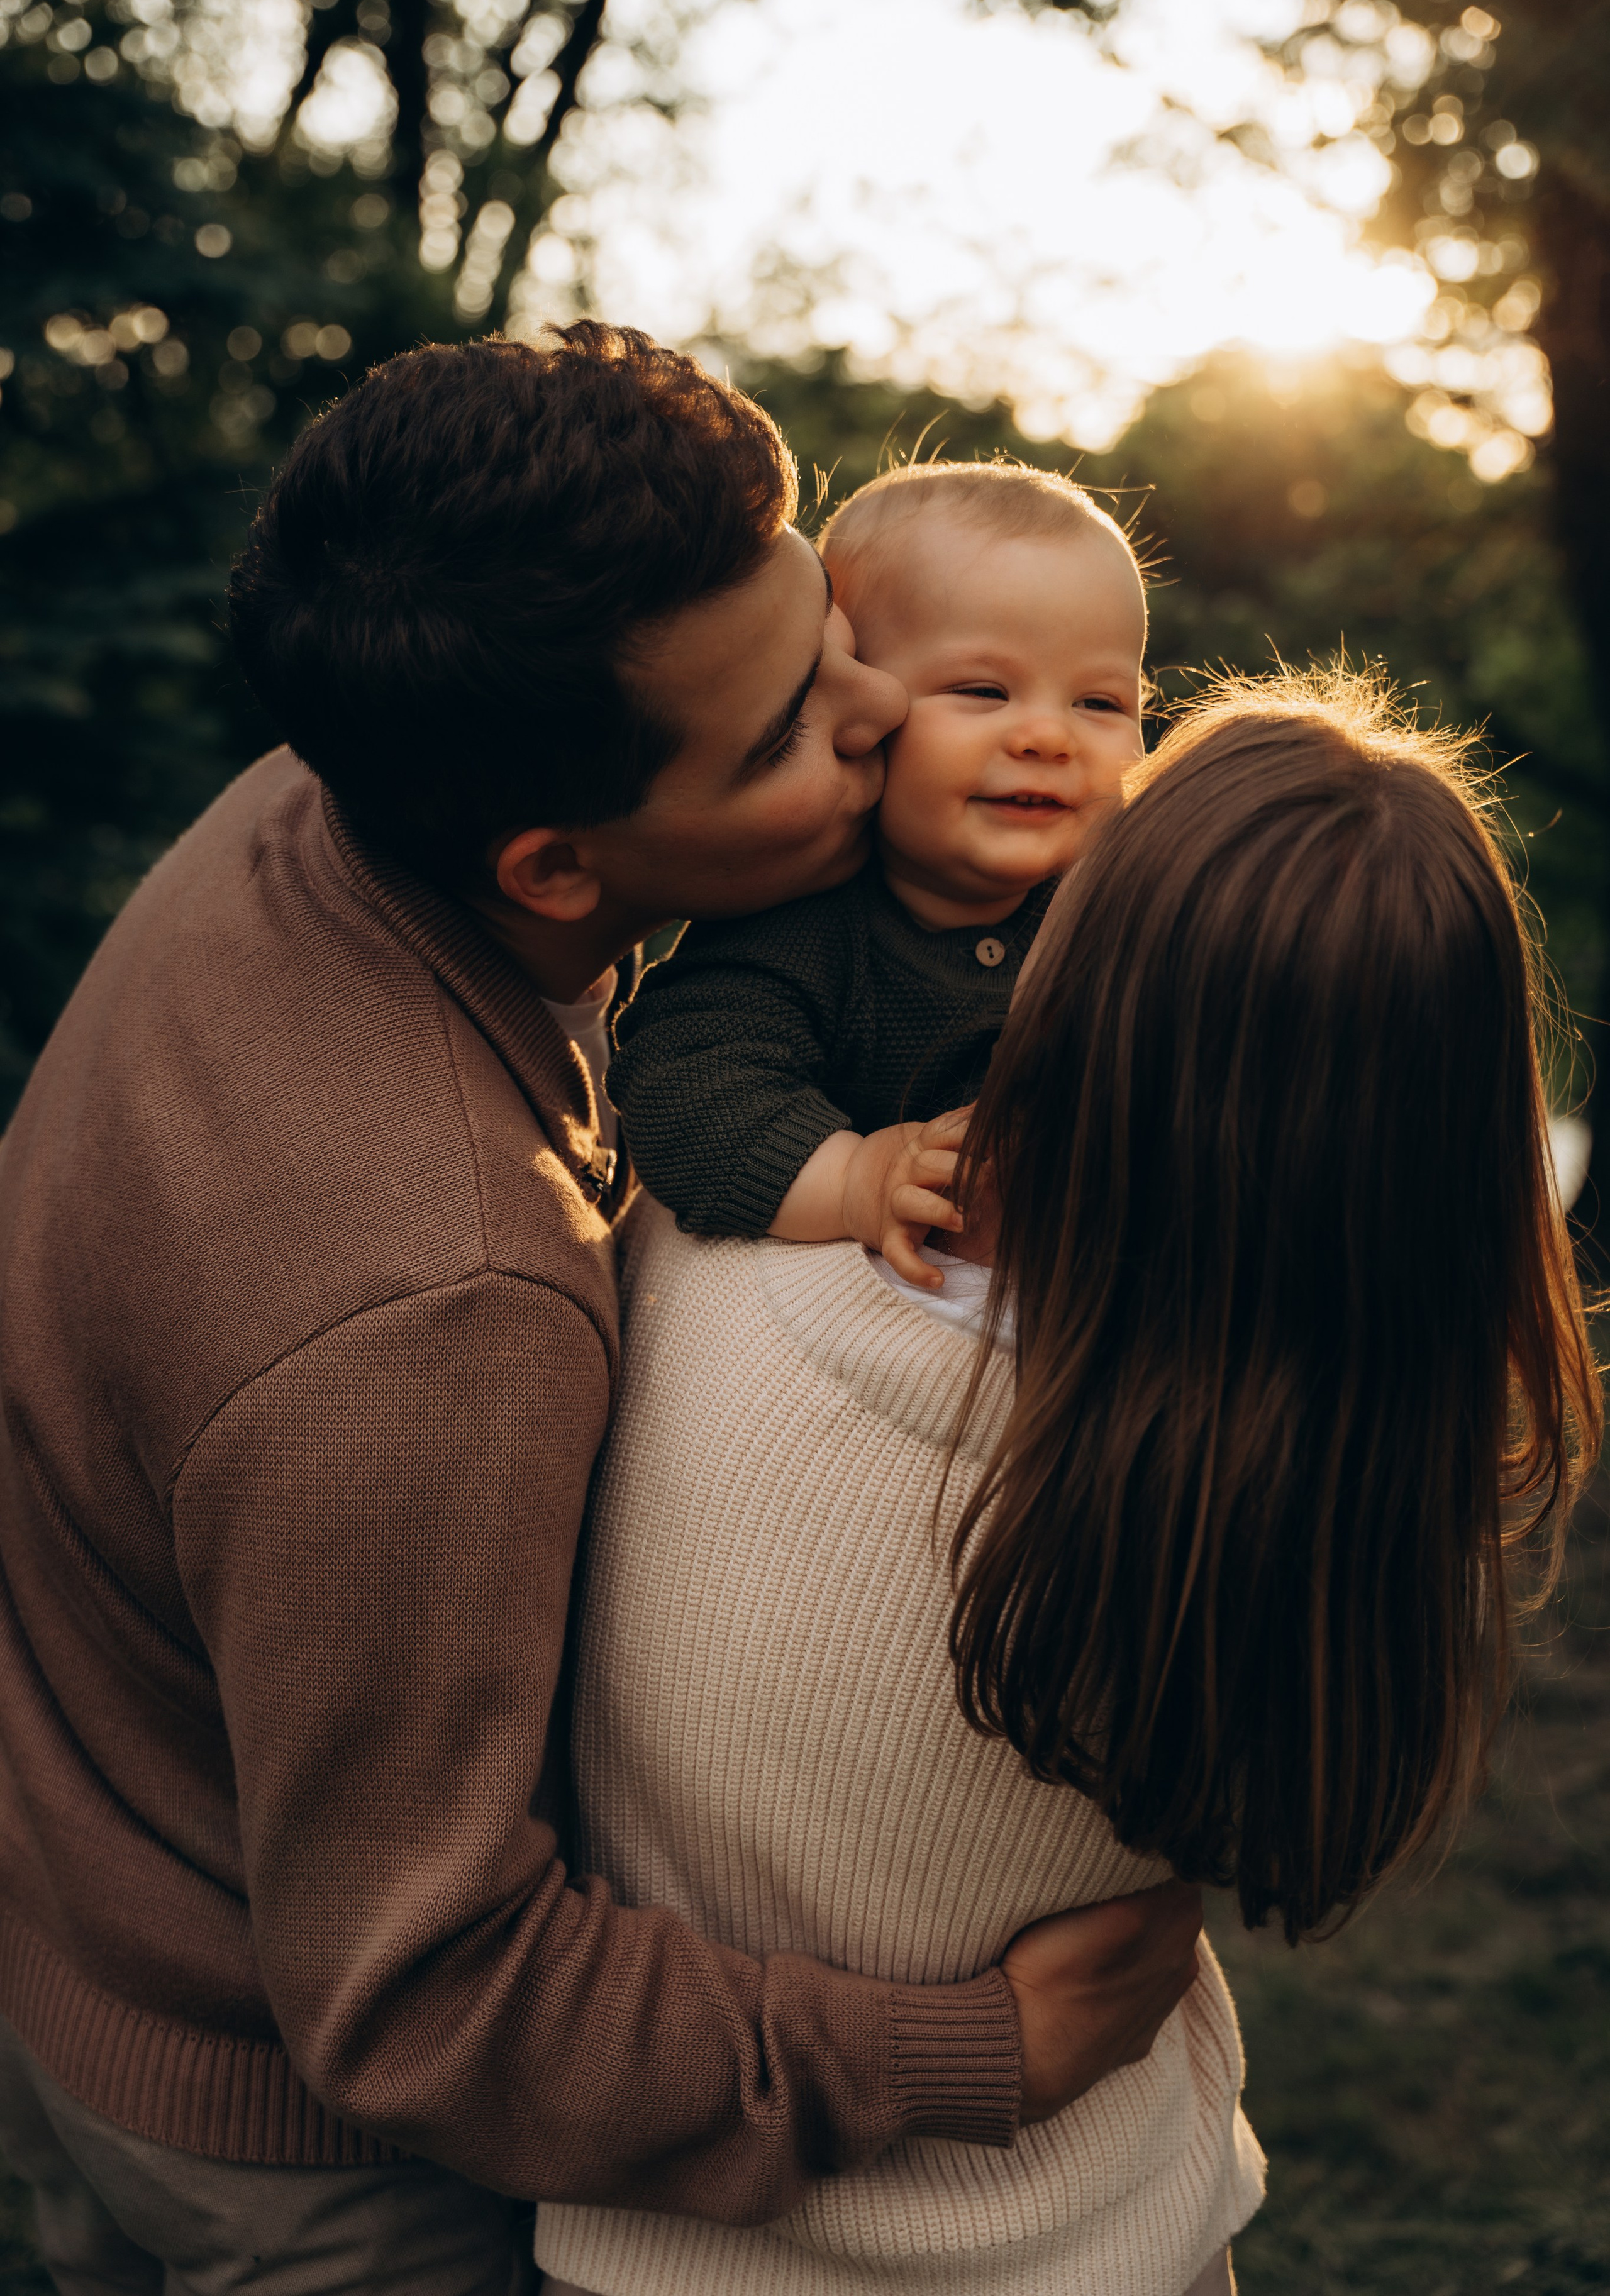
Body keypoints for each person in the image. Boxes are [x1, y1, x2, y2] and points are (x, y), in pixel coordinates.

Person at [0, 326, 1204, 2295]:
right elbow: (423, 1998)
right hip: (308, 2152)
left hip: (90, 1897)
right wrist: (975, 2046)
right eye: (792, 736)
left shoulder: (339, 785)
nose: (885, 710)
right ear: (554, 861)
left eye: (830, 625)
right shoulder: (438, 1302)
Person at [534, 672, 1601, 2296]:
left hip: (687, 2244)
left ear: (1070, 964)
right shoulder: (1347, 1468)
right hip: (1129, 2242)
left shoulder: (684, 1272)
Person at [609, 460, 1148, 1287]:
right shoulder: (806, 922)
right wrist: (855, 1179)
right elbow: (680, 1087)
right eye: (982, 689)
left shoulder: (1132, 913)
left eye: (1102, 704)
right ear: (862, 706)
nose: (1049, 735)